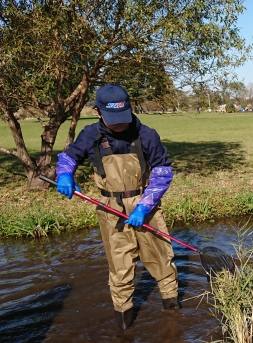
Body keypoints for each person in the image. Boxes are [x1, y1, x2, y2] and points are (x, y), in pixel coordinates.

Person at [55, 84, 178, 330]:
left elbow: (163, 173)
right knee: (120, 269)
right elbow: (69, 158)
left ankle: (174, 317)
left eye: (123, 117)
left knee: (162, 261)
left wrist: (143, 208)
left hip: (147, 206)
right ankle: (124, 327)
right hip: (111, 209)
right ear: (98, 113)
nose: (120, 125)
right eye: (113, 120)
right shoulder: (90, 135)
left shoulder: (147, 135)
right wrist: (64, 173)